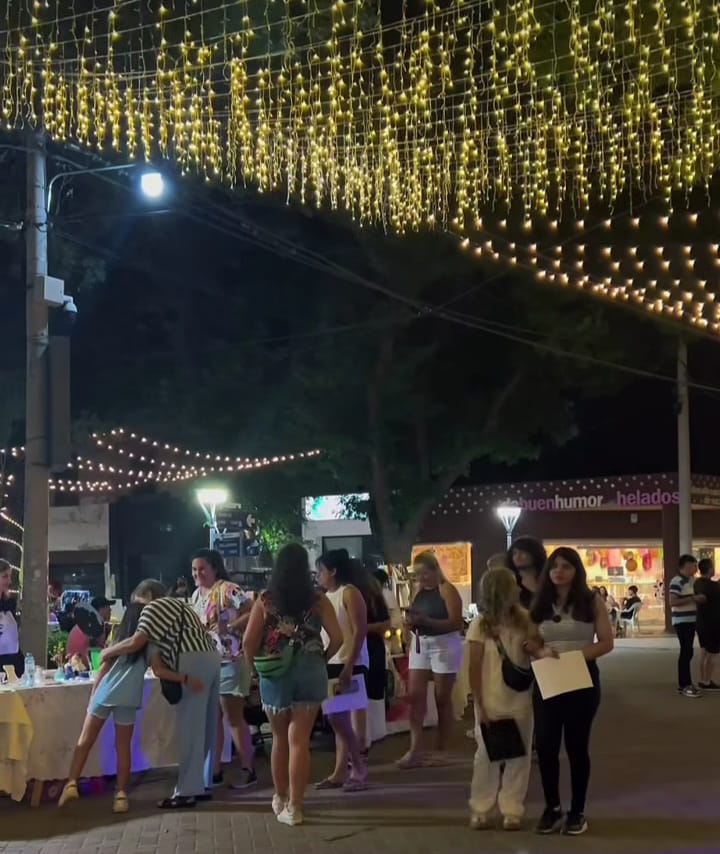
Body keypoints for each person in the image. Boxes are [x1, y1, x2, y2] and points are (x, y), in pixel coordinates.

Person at [58, 603, 204, 813]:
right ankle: (121, 795)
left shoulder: (117, 640)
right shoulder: (150, 643)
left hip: (106, 692)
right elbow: (159, 670)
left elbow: (103, 669)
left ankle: (72, 783)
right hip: (129, 696)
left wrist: (93, 696)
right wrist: (185, 678)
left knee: (85, 741)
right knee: (123, 747)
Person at [243, 544, 343, 827]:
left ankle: (280, 795)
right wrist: (320, 657)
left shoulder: (266, 600)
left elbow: (248, 643)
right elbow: (337, 637)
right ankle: (296, 808)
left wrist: (254, 672)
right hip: (311, 670)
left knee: (279, 738)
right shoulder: (318, 599)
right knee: (300, 740)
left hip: (274, 672)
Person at [100, 579, 221, 809]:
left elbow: (137, 642)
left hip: (190, 659)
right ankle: (202, 783)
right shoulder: (181, 606)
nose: (135, 610)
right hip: (211, 657)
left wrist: (108, 651)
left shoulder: (153, 608)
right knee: (207, 725)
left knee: (189, 727)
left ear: (145, 595)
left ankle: (186, 791)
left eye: (136, 603)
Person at [530, 547, 614, 836]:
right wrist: (538, 649)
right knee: (546, 745)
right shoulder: (539, 603)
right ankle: (552, 808)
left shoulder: (591, 601)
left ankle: (577, 811)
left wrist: (575, 657)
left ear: (576, 570)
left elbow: (606, 642)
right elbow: (526, 640)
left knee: (577, 747)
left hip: (581, 677)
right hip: (547, 678)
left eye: (566, 566)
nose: (559, 571)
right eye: (554, 566)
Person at [467, 567, 550, 831]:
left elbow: (539, 651)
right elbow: (474, 667)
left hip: (520, 697)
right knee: (486, 756)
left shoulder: (524, 619)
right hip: (490, 698)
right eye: (512, 584)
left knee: (520, 755)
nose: (518, 588)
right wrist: (478, 703)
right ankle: (481, 806)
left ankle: (512, 808)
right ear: (501, 590)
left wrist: (535, 647)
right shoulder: (480, 624)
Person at [190, 549, 256, 787]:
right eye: (195, 570)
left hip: (230, 660)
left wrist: (231, 626)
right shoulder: (196, 595)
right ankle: (215, 770)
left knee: (233, 716)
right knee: (214, 718)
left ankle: (248, 767)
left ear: (214, 568)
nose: (198, 573)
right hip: (207, 661)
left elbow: (253, 610)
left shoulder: (227, 589)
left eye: (202, 568)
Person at [397, 549, 463, 769]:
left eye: (425, 573)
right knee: (415, 697)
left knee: (442, 698)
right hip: (421, 643)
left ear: (435, 570)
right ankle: (415, 748)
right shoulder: (418, 591)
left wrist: (427, 620)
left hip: (444, 643)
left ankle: (442, 749)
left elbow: (456, 623)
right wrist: (412, 623)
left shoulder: (447, 590)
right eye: (418, 574)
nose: (421, 578)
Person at [315, 549, 370, 792]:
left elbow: (360, 630)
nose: (319, 576)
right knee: (337, 719)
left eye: (321, 571)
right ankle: (341, 770)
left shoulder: (349, 593)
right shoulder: (326, 596)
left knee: (340, 719)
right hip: (332, 660)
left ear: (333, 571)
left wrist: (350, 664)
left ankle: (356, 767)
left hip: (349, 662)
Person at [352, 561, 391, 754]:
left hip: (359, 653)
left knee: (362, 696)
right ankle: (365, 740)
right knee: (363, 695)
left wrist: (361, 629)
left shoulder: (364, 596)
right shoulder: (372, 594)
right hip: (364, 650)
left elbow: (385, 623)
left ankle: (361, 742)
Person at [670, 554, 701, 698]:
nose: (696, 568)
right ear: (686, 566)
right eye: (694, 566)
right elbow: (673, 601)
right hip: (682, 621)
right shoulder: (677, 581)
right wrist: (693, 598)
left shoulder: (692, 581)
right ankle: (684, 684)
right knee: (686, 651)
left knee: (688, 651)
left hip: (691, 620)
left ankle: (685, 683)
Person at [66, 596, 115, 668]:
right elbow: (95, 651)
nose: (110, 610)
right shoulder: (97, 625)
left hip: (72, 663)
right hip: (84, 667)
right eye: (108, 607)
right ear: (101, 609)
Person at [694, 558, 720, 690]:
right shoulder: (713, 586)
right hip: (713, 623)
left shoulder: (697, 583)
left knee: (703, 651)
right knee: (712, 653)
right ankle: (708, 681)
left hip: (701, 622)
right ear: (710, 569)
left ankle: (702, 679)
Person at [507, 537, 547, 609]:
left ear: (534, 553)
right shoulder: (511, 583)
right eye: (514, 553)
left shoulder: (548, 580)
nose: (517, 557)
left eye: (522, 552)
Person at [0, 559, 23, 678]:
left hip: (14, 661)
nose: (9, 581)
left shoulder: (9, 604)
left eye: (9, 576)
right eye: (5, 576)